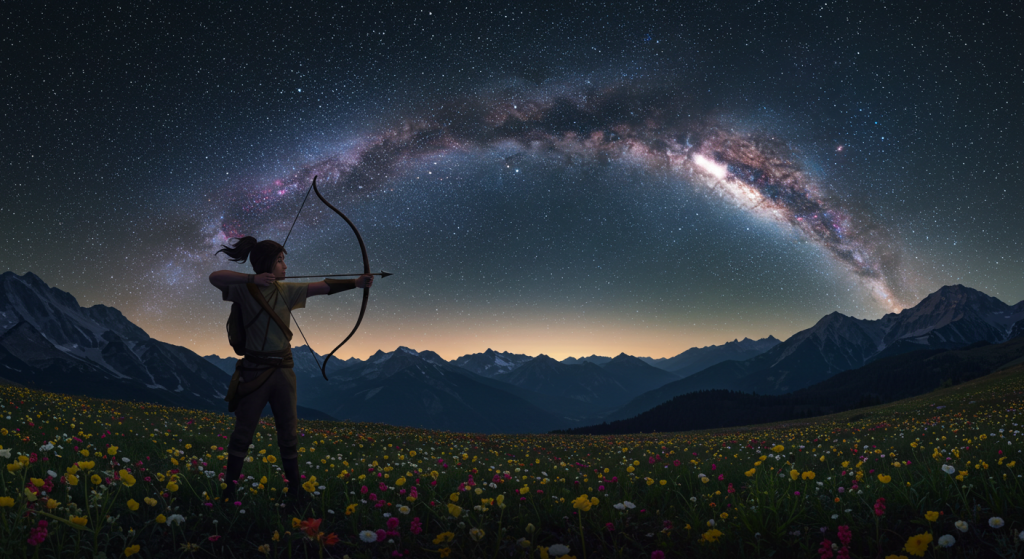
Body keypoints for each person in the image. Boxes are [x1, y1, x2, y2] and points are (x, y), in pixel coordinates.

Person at [209, 236, 372, 507]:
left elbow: (323, 287)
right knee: (243, 432)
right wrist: (252, 279)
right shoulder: (243, 290)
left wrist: (356, 283)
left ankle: (295, 491)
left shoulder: (288, 291)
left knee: (289, 432)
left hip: (283, 371)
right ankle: (229, 492)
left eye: (284, 260)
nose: (285, 266)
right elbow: (216, 276)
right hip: (254, 372)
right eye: (280, 260)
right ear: (266, 265)